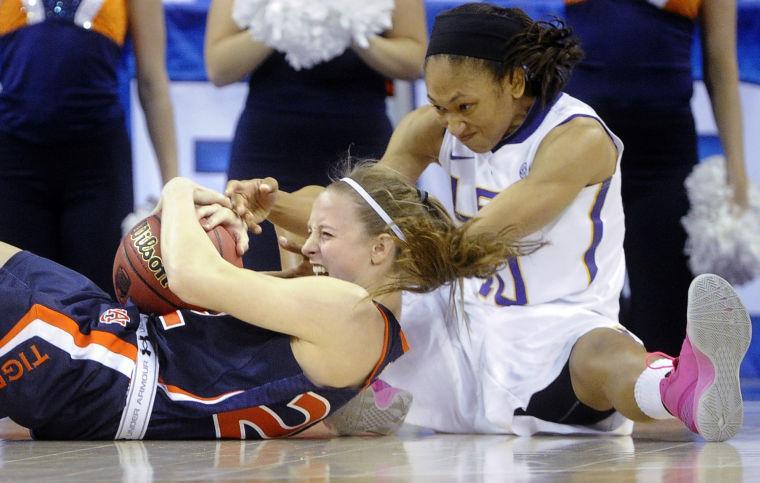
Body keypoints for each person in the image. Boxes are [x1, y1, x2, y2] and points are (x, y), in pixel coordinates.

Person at [231, 3, 753, 442]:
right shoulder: (430, 128)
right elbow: (357, 209)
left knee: (606, 356)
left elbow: (478, 241)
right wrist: (268, 203)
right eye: (439, 106)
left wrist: (368, 256)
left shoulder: (576, 138)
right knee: (347, 268)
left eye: (465, 105)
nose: (453, 122)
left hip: (558, 324)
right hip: (463, 320)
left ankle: (684, 389)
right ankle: (355, 393)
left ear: (514, 80)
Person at [0, 162, 518, 440]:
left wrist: (178, 193)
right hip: (109, 357)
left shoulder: (350, 315)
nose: (308, 245)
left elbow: (189, 277)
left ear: (381, 248)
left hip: (105, 368)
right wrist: (271, 268)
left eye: (326, 234)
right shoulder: (363, 331)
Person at [563, 0, 750, 355]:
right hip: (579, 153)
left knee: (664, 318)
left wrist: (736, 169)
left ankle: (661, 405)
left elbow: (721, 63)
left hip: (663, 157)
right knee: (585, 312)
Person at [204, 0, 427, 272]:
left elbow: (415, 59)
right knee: (254, 269)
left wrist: (351, 27)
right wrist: (278, 21)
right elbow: (218, 66)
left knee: (373, 272)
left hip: (361, 146)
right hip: (269, 144)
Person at [0, 0, 179, 297]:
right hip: (13, 166)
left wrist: (173, 188)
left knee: (97, 302)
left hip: (98, 169)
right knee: (16, 303)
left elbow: (153, 83)